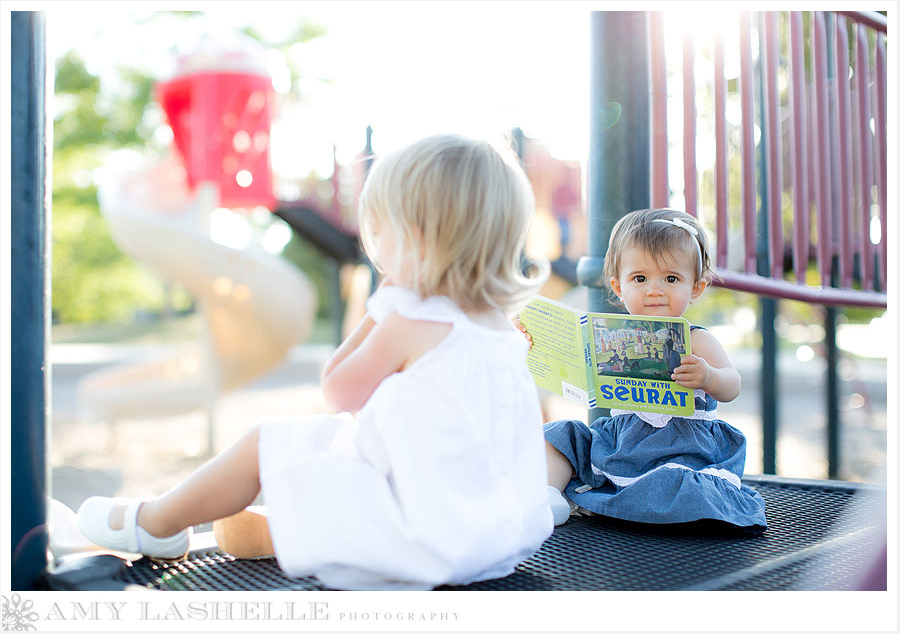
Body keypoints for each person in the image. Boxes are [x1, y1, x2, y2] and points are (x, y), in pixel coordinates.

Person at [77, 134, 554, 590]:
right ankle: (271, 531)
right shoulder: (499, 329)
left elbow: (338, 392)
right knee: (332, 448)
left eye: (380, 231)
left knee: (269, 440)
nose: (375, 248)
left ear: (416, 238)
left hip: (429, 538)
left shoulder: (410, 320)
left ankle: (156, 522)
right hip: (499, 537)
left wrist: (378, 308)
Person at [544, 208, 767, 531]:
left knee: (683, 486)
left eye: (671, 279)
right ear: (618, 287)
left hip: (681, 448)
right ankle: (548, 497)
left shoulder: (696, 340)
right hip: (622, 443)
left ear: (696, 288)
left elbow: (733, 384)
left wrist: (709, 377)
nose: (654, 290)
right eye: (640, 278)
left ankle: (647, 503)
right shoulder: (606, 338)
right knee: (559, 435)